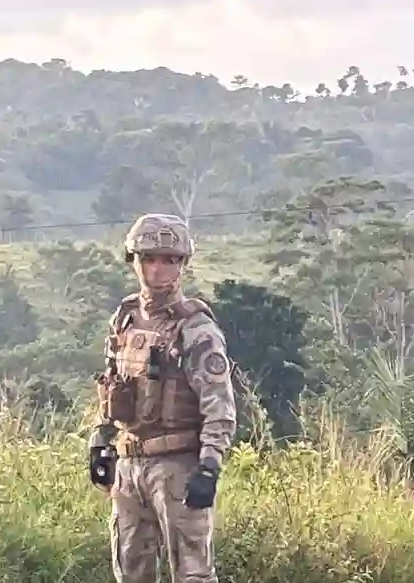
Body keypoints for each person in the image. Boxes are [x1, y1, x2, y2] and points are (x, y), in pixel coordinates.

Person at [88, 213, 238, 583]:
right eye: (148, 258)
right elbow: (112, 382)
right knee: (131, 572)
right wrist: (99, 442)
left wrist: (208, 467)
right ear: (134, 261)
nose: (157, 269)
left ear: (183, 264)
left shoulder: (196, 328)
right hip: (129, 463)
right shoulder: (124, 318)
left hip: (177, 467)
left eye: (169, 259)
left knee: (192, 574)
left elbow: (219, 406)